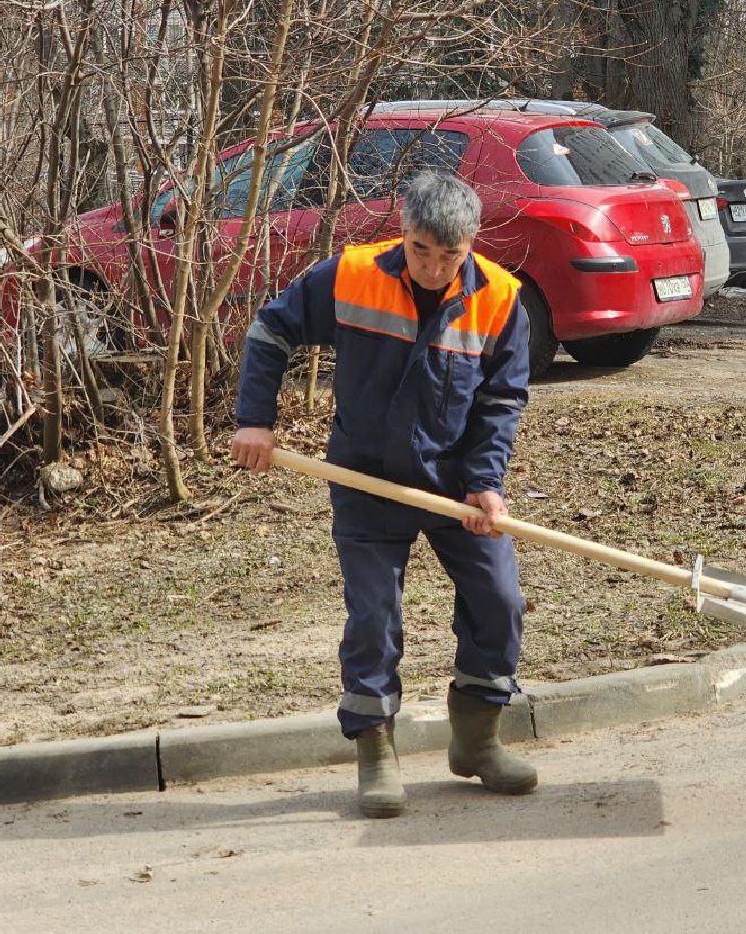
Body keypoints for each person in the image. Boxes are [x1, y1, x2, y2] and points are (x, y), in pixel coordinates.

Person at [230, 169, 536, 819]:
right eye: (422, 249)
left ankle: (478, 742)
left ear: (472, 245)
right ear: (405, 230)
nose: (432, 268)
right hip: (365, 478)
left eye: (449, 255)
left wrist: (485, 482)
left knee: (499, 600)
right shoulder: (350, 275)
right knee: (374, 617)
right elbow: (270, 331)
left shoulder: (502, 299)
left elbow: (502, 400)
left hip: (456, 484)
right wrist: (255, 420)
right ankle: (375, 751)